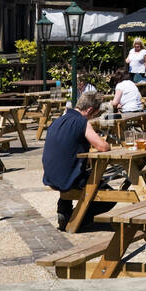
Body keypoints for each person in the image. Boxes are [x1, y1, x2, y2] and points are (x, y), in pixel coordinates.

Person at [42, 89, 111, 230]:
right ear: (90, 109)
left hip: (50, 175)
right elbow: (102, 147)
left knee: (76, 170)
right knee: (109, 196)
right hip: (68, 178)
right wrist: (107, 143)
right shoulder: (81, 122)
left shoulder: (58, 120)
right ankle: (73, 219)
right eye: (96, 113)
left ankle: (64, 210)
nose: (96, 116)